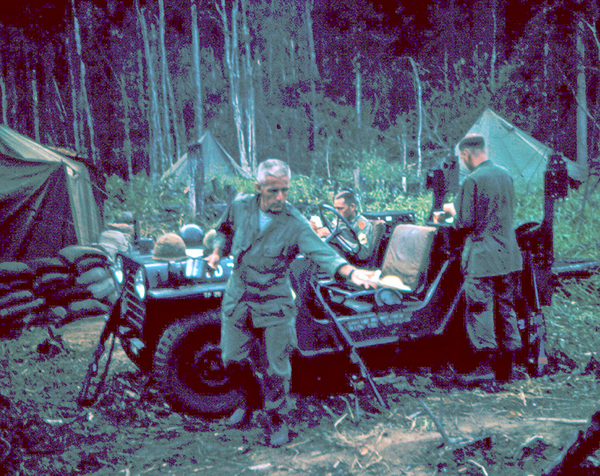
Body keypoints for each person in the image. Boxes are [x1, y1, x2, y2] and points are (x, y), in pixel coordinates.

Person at [205, 159, 375, 447]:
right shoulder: (240, 207)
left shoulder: (294, 223)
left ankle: (277, 418)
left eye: (285, 190)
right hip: (240, 295)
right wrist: (216, 252)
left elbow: (323, 253)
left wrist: (351, 272)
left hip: (274, 300)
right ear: (258, 188)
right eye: (273, 191)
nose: (280, 197)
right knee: (231, 358)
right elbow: (223, 230)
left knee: (277, 368)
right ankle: (247, 402)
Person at [442, 134, 523, 384]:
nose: (463, 162)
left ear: (467, 153)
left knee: (480, 310)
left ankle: (484, 371)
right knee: (506, 308)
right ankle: (508, 370)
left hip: (483, 258)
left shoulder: (473, 180)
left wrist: (451, 210)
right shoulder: (506, 176)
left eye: (462, 158)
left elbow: (464, 223)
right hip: (509, 257)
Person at [311, 190, 375, 261]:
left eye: (340, 208)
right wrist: (316, 230)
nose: (336, 212)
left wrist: (337, 237)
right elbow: (330, 231)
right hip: (334, 257)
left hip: (350, 263)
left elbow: (363, 254)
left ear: (352, 207)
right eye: (335, 208)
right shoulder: (341, 219)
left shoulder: (362, 224)